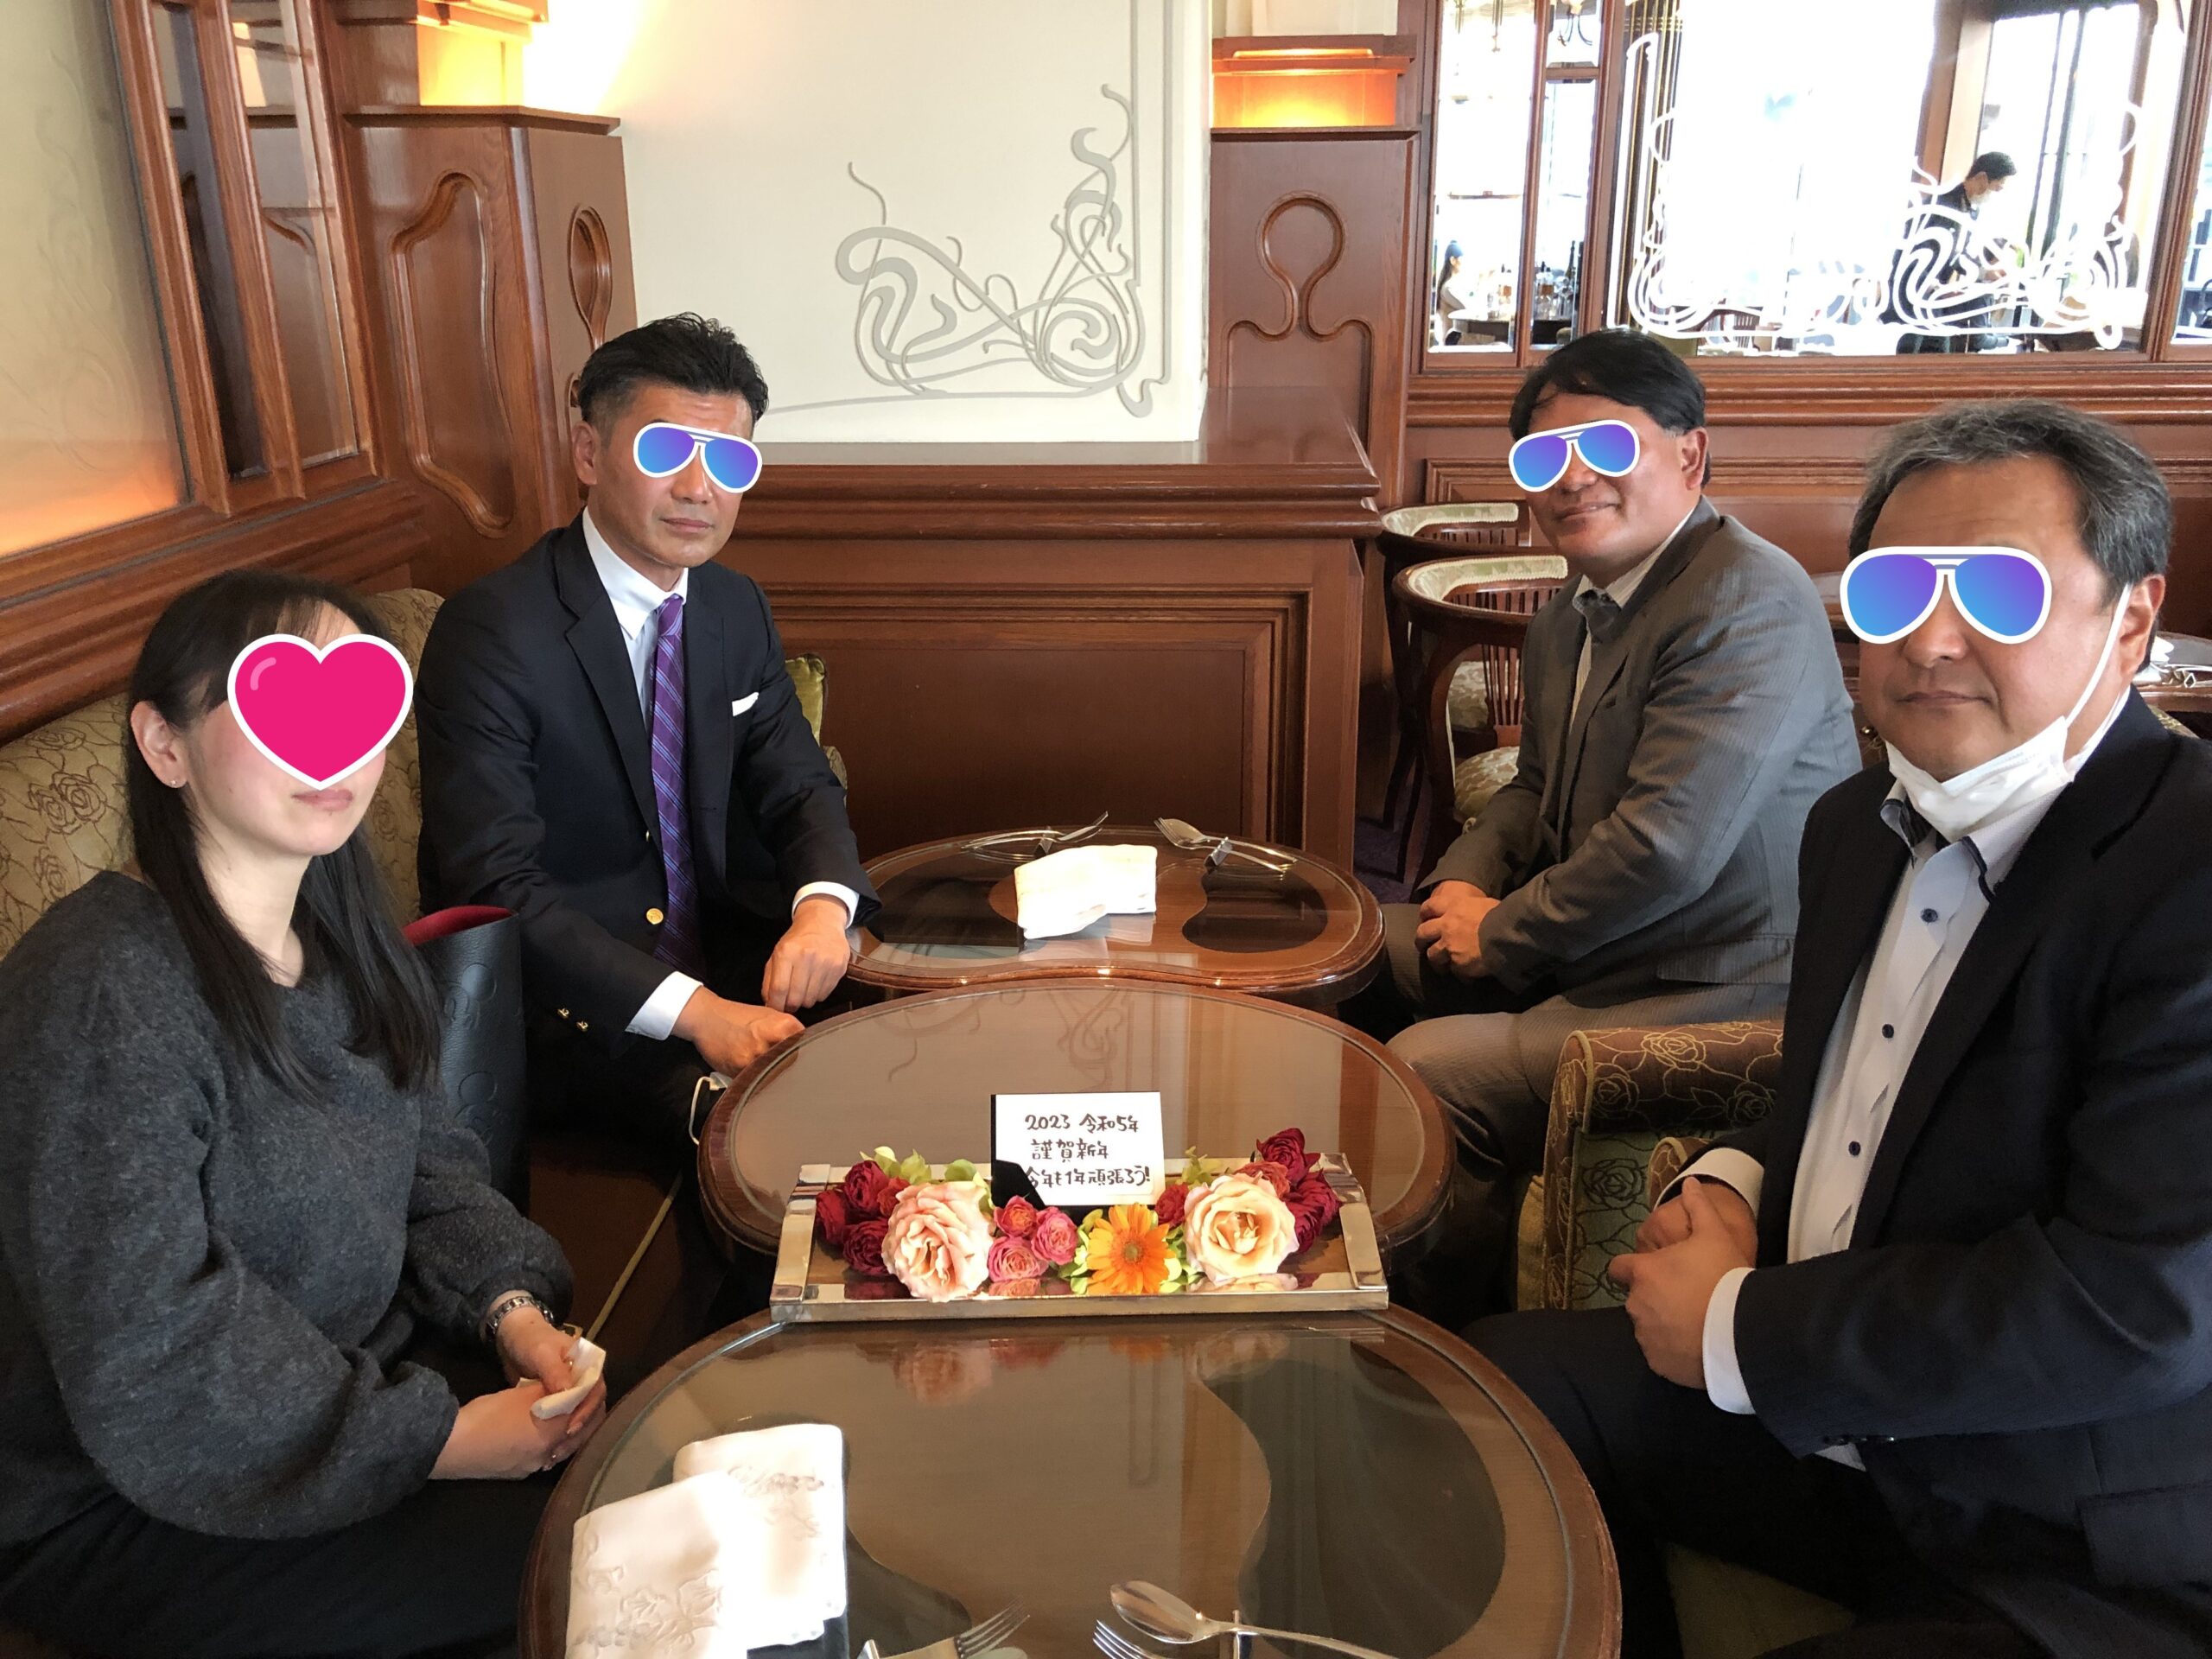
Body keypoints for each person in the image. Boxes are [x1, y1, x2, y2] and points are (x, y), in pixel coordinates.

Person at [1470, 398, 2212, 1658]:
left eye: (2001, 594)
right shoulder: (1856, 830)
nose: (1930, 639)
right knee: (1497, 1394)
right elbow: (1867, 1095)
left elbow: (2138, 1305)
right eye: (1892, 592)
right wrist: (1737, 1175)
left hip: (2071, 1529)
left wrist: (1736, 1333)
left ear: (2129, 620)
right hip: (1843, 1438)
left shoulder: (2187, 869)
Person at [0, 572, 602, 1659]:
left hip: (354, 1395)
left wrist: (511, 1311)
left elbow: (430, 1165)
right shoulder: (98, 992)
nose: (331, 752)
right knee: (603, 1568)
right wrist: (443, 1439)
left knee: (678, 1466)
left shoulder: (332, 934)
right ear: (165, 745)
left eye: (358, 705)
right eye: (278, 704)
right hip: (132, 1491)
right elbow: (154, 1348)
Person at [1362, 330, 1859, 1317]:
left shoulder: (1746, 599)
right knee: (1357, 955)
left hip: (1723, 982)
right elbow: (1530, 787)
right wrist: (1461, 883)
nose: (1573, 477)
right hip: (1610, 940)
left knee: (1433, 1075)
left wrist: (1501, 933)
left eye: (1607, 446)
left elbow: (1664, 850)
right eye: (1545, 456)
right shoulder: (1572, 608)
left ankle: (1446, 1339)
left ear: (1689, 454)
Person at [416, 314, 878, 1152]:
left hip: (728, 956)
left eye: (729, 461)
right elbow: (495, 883)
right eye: (665, 451)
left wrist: (820, 911)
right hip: (573, 1004)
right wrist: (696, 1013)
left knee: (912, 1043)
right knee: (761, 1135)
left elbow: (799, 784)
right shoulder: (492, 632)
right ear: (589, 453)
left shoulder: (733, 605)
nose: (699, 489)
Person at [1893, 150, 2016, 354]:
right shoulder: (1940, 206)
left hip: (1934, 300)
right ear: (1982, 178)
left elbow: (1956, 256)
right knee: (1910, 357)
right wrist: (1935, 287)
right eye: (1997, 188)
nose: (1997, 195)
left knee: (1939, 356)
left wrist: (1985, 273)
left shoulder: (1970, 210)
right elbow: (1912, 254)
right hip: (1912, 295)